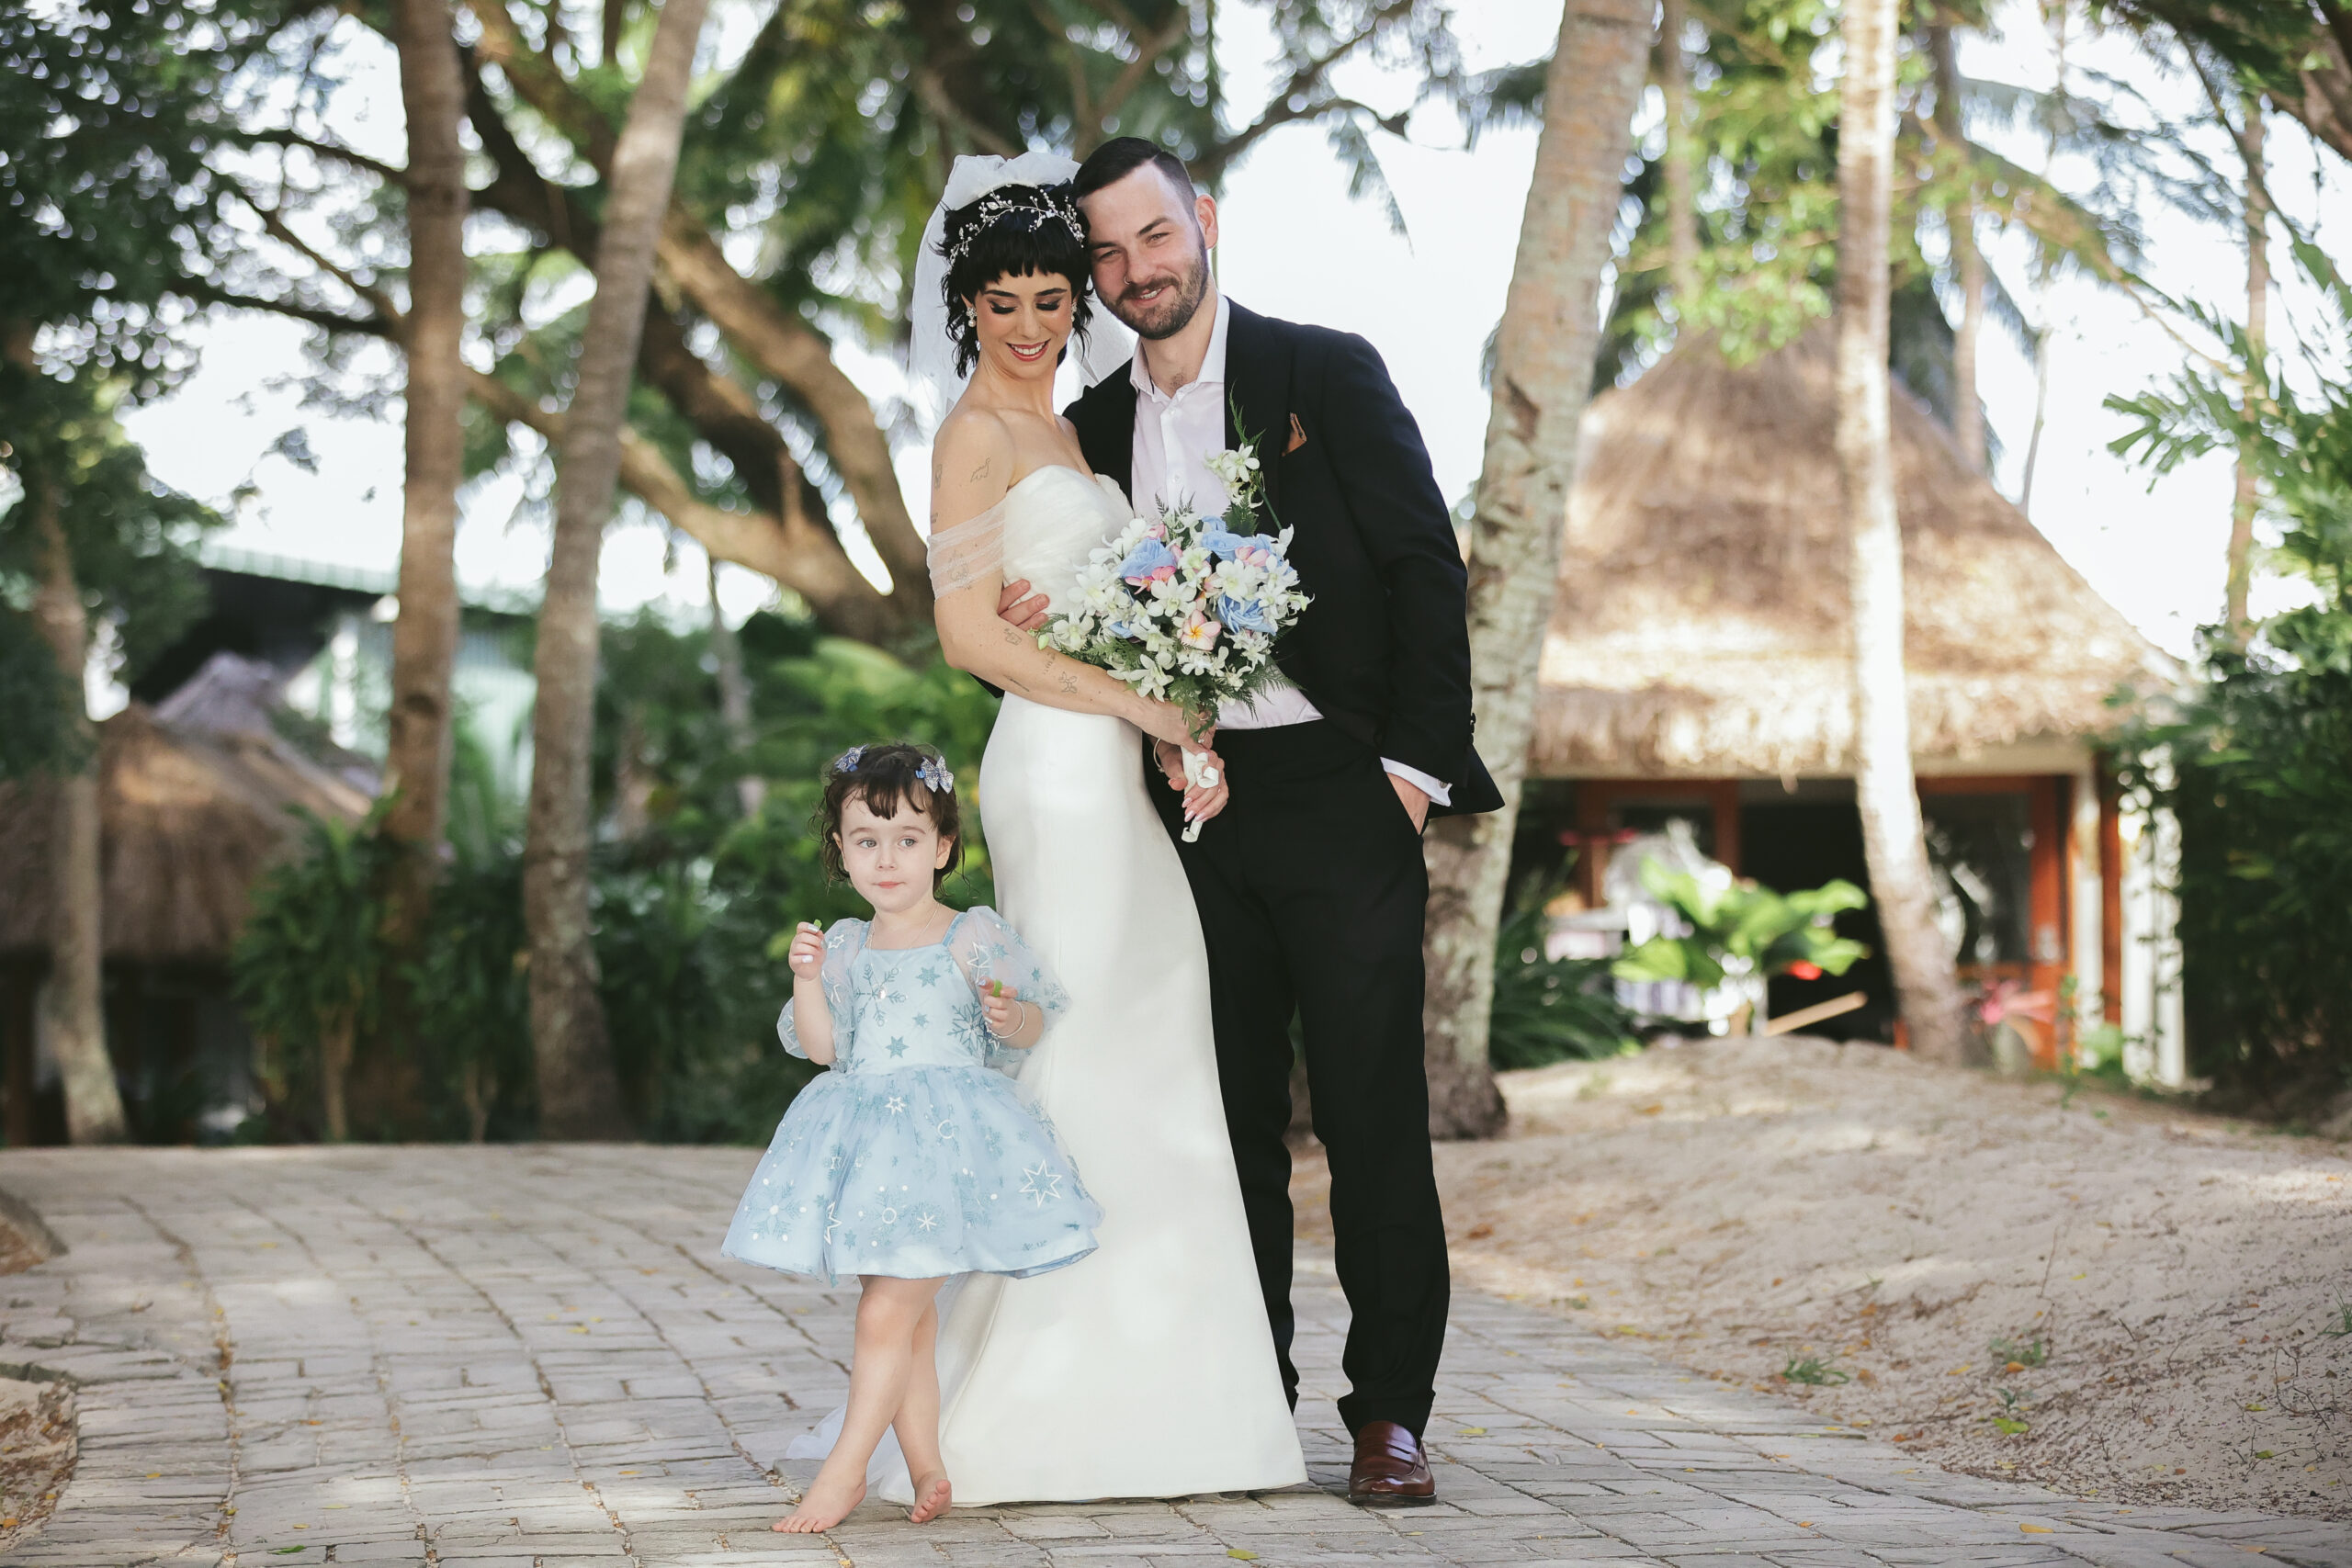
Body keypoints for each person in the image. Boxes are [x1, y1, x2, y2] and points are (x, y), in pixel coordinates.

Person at [995, 138, 1503, 1505]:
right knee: (1221, 1124)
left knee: (1370, 1115)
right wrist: (1036, 620)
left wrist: (1408, 775)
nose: (1134, 271)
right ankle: (1251, 1401)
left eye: (1152, 236)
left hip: (1343, 793)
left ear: (1202, 221)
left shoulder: (1322, 372)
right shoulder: (1091, 427)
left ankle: (1389, 1414)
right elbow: (1060, 619)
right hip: (1184, 811)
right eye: (1106, 254)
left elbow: (1423, 566)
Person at [906, 149, 1309, 1504]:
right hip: (1055, 776)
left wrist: (1169, 709)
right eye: (1002, 305)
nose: (1028, 326)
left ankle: (1170, 1409)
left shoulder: (1078, 431)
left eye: (1049, 300)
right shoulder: (973, 436)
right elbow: (969, 637)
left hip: (1113, 767)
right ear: (966, 309)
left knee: (1155, 1042)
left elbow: (1092, 601)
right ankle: (1028, 1409)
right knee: (1075, 1050)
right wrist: (1151, 706)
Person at [718, 741, 1101, 1531]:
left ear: (944, 847)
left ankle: (845, 1471)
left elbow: (1032, 1022)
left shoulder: (971, 933)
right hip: (867, 1149)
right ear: (841, 850)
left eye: (907, 839)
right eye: (867, 840)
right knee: (906, 1317)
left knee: (885, 1313)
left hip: (948, 1147)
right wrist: (806, 978)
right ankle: (927, 1462)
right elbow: (823, 1047)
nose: (886, 859)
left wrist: (1009, 1016)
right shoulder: (846, 944)